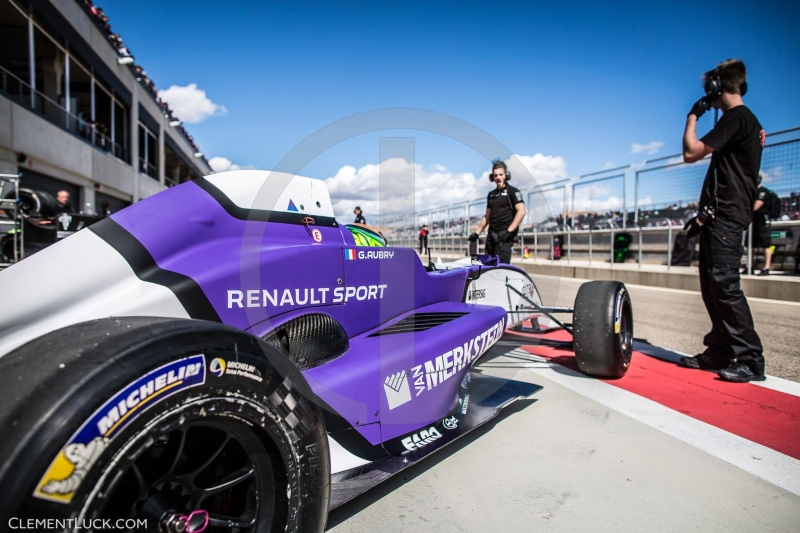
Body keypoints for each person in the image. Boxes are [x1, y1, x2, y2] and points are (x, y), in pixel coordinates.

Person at [679, 59, 766, 382]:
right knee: (713, 286)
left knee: (725, 286)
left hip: (727, 216)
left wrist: (692, 115)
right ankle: (720, 349)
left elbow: (691, 152)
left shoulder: (736, 118)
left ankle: (750, 359)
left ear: (716, 88)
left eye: (709, 91)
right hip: (720, 216)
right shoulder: (749, 122)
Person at [468, 160, 526, 264]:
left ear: (506, 176)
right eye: (495, 175)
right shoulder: (491, 195)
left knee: (501, 266)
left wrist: (509, 231)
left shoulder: (513, 192)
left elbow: (521, 212)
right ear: (492, 177)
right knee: (488, 265)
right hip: (491, 235)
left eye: (500, 174)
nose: (498, 177)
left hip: (504, 236)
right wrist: (477, 233)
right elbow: (487, 217)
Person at [752, 175, 773, 275]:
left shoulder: (763, 191)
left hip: (763, 221)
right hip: (753, 221)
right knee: (751, 245)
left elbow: (756, 206)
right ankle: (750, 266)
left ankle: (766, 267)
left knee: (766, 244)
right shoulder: (751, 192)